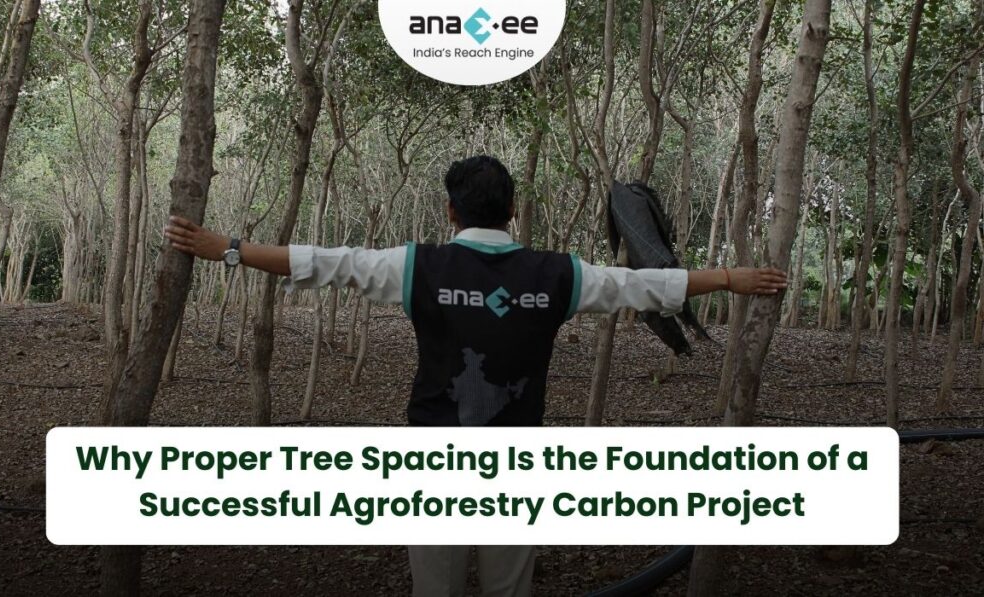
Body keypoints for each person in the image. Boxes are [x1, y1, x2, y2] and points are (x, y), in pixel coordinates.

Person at [165, 155, 787, 597]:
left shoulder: (419, 267)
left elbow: (327, 263)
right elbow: (640, 285)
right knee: (508, 587)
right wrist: (730, 278)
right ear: (514, 210)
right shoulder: (559, 274)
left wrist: (229, 248)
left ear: (450, 210)